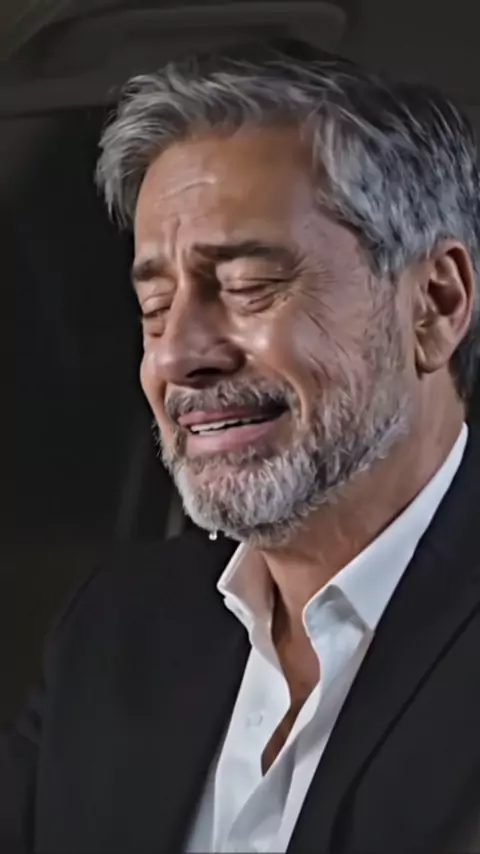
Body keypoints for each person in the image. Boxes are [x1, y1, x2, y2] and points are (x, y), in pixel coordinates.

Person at [2, 37, 480, 854]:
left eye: (250, 287)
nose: (178, 355)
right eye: (155, 308)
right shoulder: (114, 629)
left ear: (433, 304)